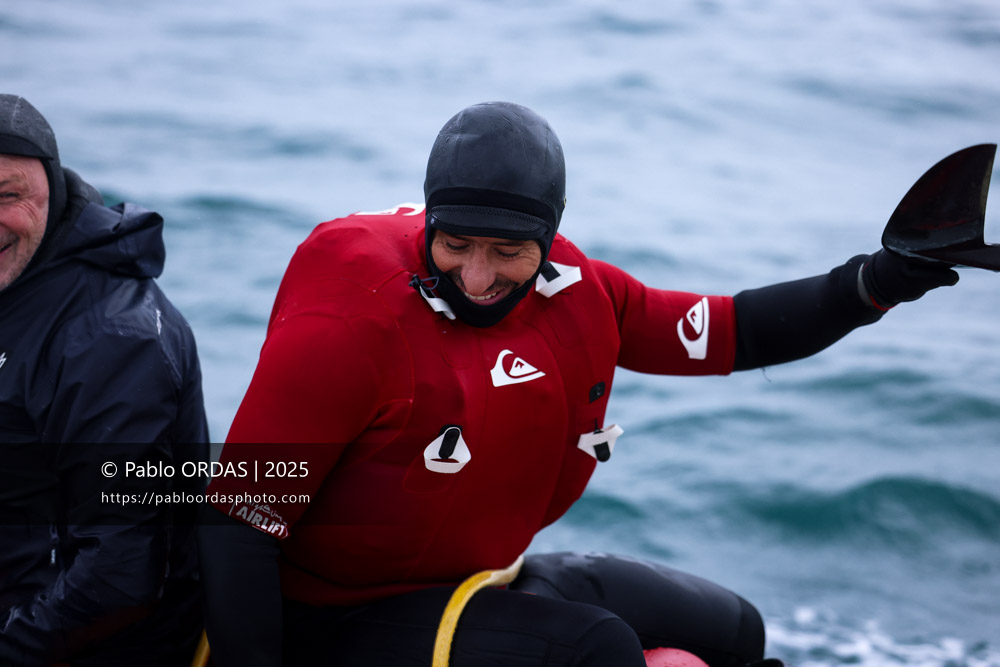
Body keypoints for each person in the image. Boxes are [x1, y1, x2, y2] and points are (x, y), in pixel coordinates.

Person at [199, 101, 959, 666]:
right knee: (598, 649)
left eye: (507, 252)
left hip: (474, 584)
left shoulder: (579, 292)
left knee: (735, 629)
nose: (477, 276)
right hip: (329, 618)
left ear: (548, 235)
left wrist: (881, 280)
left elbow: (737, 331)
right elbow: (235, 521)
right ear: (429, 220)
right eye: (454, 243)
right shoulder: (349, 316)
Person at [0, 95, 209, 665]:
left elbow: (119, 577)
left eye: (7, 195)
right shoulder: (18, 278)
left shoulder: (110, 340)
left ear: (52, 189)